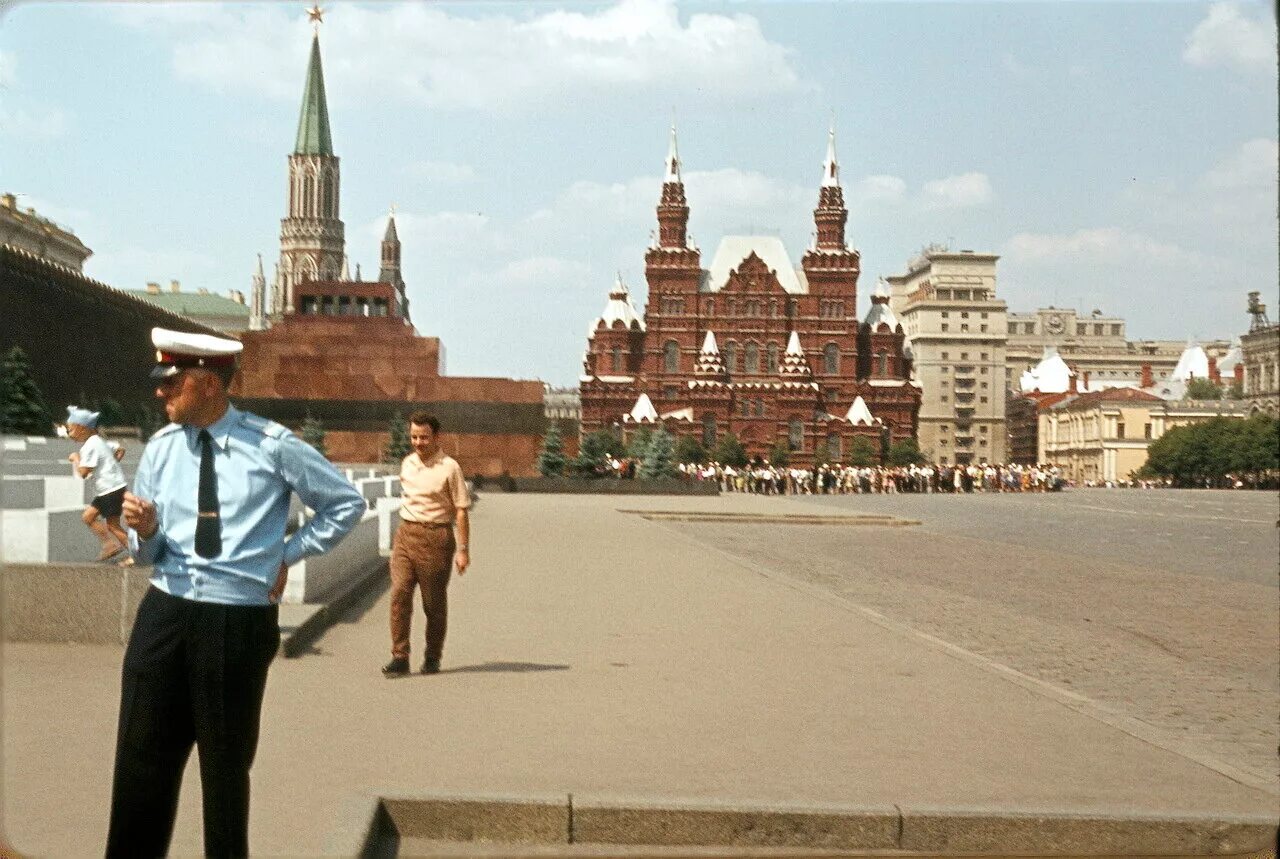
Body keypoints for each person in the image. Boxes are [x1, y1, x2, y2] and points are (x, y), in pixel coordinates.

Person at [108, 327, 366, 858]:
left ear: (208, 382)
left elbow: (344, 504)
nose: (161, 392)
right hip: (165, 611)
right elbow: (147, 550)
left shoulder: (271, 445)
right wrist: (148, 529)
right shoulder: (159, 450)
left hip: (235, 621)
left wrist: (285, 555)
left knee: (224, 770)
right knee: (140, 760)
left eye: (171, 382)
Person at [384, 411, 471, 677]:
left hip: (435, 538)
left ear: (436, 437)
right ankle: (400, 656)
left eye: (423, 437)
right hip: (405, 535)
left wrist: (463, 550)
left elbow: (461, 510)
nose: (418, 442)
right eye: (414, 437)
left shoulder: (450, 467)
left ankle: (432, 655)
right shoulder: (408, 463)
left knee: (432, 603)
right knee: (399, 593)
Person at [64, 405, 130, 561]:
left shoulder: (90, 446)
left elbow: (83, 473)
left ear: (82, 428)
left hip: (110, 490)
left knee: (113, 525)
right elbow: (120, 449)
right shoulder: (98, 441)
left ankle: (137, 554)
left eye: (70, 430)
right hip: (109, 489)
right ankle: (109, 544)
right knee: (88, 517)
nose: (70, 435)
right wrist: (112, 464)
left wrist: (75, 458)